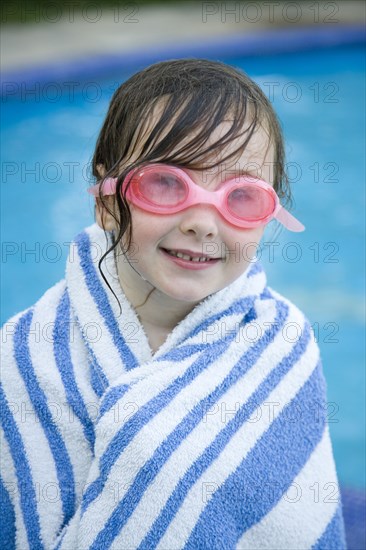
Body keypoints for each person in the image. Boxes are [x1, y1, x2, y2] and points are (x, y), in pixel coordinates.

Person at [1, 58, 346, 549]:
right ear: (105, 199)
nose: (203, 222)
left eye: (241, 195)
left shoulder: (281, 348)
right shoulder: (24, 356)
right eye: (166, 183)